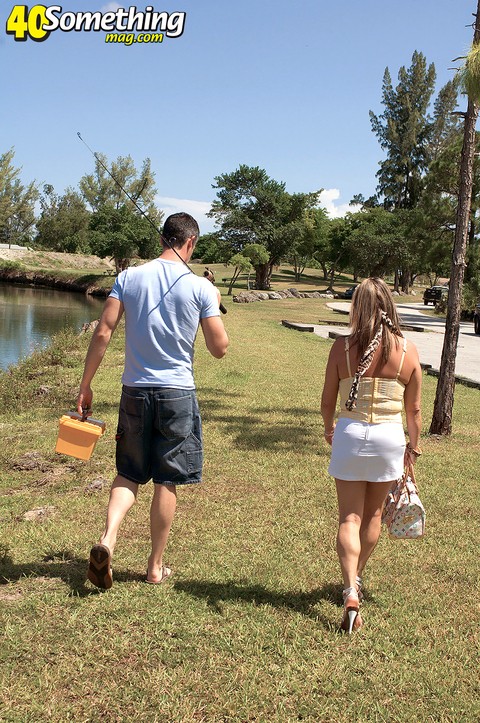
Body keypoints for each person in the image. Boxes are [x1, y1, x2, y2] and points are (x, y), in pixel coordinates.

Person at [77, 212, 229, 589]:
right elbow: (219, 349)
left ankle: (107, 539)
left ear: (163, 239)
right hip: (177, 393)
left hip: (134, 391)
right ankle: (155, 567)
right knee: (166, 479)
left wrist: (86, 385)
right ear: (190, 243)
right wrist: (213, 299)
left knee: (128, 473)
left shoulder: (128, 277)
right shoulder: (200, 287)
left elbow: (103, 331)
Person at [320, 278, 422, 632]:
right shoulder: (408, 350)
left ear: (357, 306)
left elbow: (328, 400)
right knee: (373, 516)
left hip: (350, 433)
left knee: (349, 518)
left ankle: (349, 588)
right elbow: (415, 410)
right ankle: (357, 579)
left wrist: (329, 428)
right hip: (389, 437)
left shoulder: (343, 347)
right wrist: (414, 446)